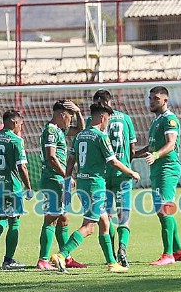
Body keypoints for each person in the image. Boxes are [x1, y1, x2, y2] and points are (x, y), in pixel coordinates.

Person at [52, 102, 140, 273]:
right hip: (95, 185)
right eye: (107, 119)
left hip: (83, 183)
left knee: (105, 222)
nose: (107, 123)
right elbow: (113, 161)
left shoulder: (80, 136)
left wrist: (67, 181)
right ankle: (62, 255)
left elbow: (71, 161)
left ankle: (112, 263)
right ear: (102, 117)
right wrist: (131, 173)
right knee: (89, 226)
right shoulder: (101, 137)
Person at [135, 86, 181, 266]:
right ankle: (178, 251)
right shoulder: (157, 121)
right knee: (162, 211)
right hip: (157, 169)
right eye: (150, 98)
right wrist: (133, 155)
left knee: (165, 209)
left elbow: (171, 144)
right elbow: (151, 147)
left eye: (155, 98)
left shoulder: (169, 120)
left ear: (165, 100)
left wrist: (156, 155)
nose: (151, 101)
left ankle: (168, 255)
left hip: (167, 168)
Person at [88, 89, 137, 267]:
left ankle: (111, 257)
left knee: (106, 218)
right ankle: (122, 249)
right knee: (123, 216)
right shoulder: (126, 118)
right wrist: (127, 166)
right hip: (122, 173)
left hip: (102, 174)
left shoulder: (92, 121)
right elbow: (132, 149)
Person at [36, 100, 87, 271]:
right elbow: (51, 157)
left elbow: (81, 130)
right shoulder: (51, 130)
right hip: (53, 179)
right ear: (61, 115)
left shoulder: (58, 130)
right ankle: (43, 260)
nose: (70, 120)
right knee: (51, 219)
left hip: (58, 179)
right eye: (70, 116)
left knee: (63, 218)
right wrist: (66, 176)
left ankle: (67, 257)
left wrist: (79, 112)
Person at [0, 110, 34, 269]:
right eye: (20, 123)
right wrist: (29, 187)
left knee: (3, 217)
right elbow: (22, 167)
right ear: (13, 122)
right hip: (11, 186)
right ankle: (8, 260)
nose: (21, 127)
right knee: (14, 222)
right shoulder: (16, 141)